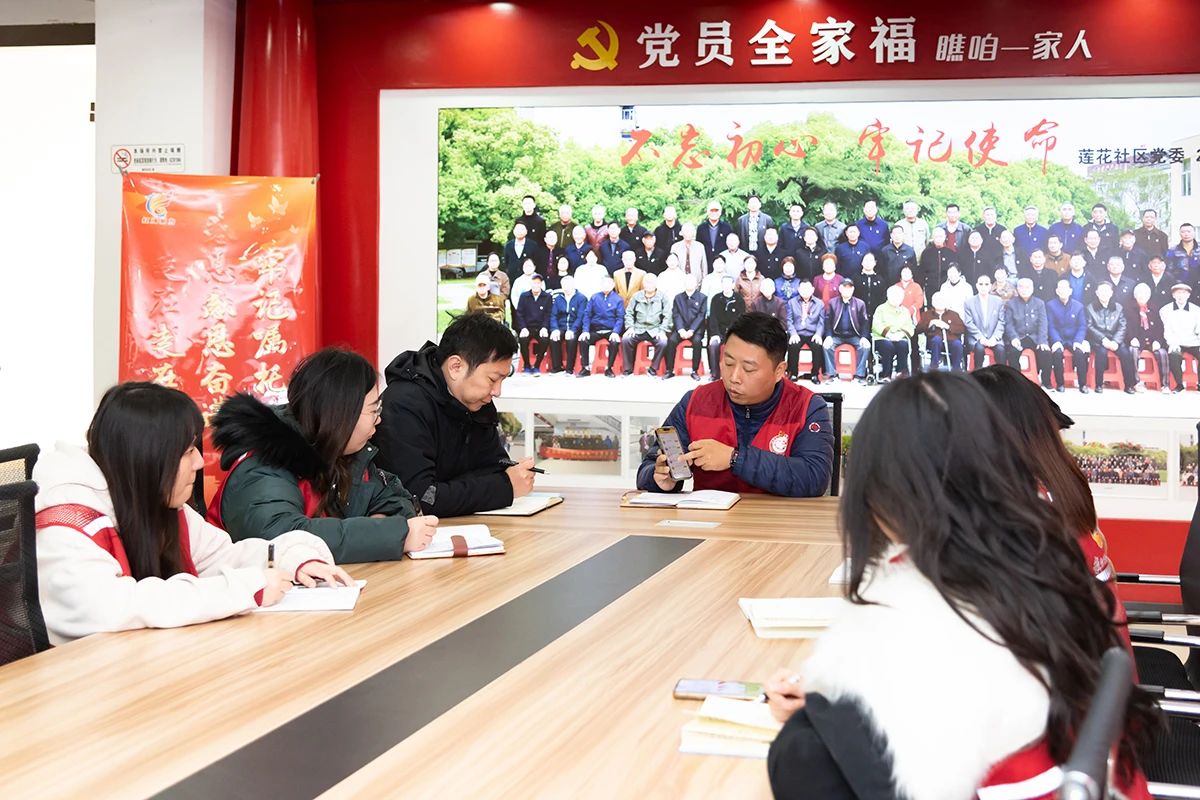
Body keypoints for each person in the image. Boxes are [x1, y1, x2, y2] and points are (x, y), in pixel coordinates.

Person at [764, 372, 1157, 800]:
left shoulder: (916, 623)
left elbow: (810, 767)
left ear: (879, 493)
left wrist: (825, 717)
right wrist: (833, 708)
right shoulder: (1040, 564)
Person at [33, 382, 351, 643]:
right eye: (187, 451)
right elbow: (110, 608)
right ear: (148, 458)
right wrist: (242, 589)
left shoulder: (150, 498)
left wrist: (293, 559)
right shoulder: (67, 519)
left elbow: (220, 556)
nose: (199, 462)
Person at [211, 349, 433, 562]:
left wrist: (380, 523)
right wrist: (385, 535)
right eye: (374, 410)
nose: (379, 419)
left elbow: (396, 499)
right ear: (342, 414)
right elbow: (280, 537)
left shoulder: (345, 453)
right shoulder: (263, 463)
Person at [637, 312, 833, 497]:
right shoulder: (695, 402)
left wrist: (735, 459)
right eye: (729, 363)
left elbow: (814, 477)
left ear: (779, 371)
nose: (734, 377)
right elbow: (648, 467)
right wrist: (660, 479)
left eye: (748, 369)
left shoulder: (806, 406)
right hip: (710, 519)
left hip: (779, 519)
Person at [376, 313, 536, 516]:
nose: (497, 392)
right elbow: (420, 497)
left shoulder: (476, 401)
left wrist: (504, 479)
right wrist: (504, 487)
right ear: (455, 367)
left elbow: (493, 468)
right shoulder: (403, 405)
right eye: (492, 379)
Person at [1086, 281, 1137, 394]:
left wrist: (1115, 341)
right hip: (1098, 340)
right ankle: (1099, 384)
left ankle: (1129, 385)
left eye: (1106, 291)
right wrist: (1103, 339)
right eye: (1101, 291)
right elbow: (1089, 326)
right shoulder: (1090, 308)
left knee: (1126, 353)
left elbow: (1122, 326)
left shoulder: (1118, 307)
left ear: (1111, 293)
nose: (1104, 293)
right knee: (1101, 353)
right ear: (1097, 293)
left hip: (1115, 339)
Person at [621, 272, 671, 376]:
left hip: (655, 329)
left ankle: (653, 368)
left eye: (652, 282)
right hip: (638, 328)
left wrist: (662, 331)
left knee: (663, 342)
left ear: (656, 284)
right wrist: (630, 327)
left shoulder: (663, 297)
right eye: (647, 282)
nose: (649, 285)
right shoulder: (636, 296)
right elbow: (629, 313)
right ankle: (628, 368)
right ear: (643, 283)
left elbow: (667, 316)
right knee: (626, 339)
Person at [1004, 277, 1052, 387]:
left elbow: (1043, 323)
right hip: (1019, 337)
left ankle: (1046, 381)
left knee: (1046, 352)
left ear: (1032, 289)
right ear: (1017, 289)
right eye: (1021, 287)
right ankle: (1016, 381)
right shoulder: (1011, 304)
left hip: (1035, 338)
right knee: (1013, 352)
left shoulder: (1039, 303)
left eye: (1027, 287)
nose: (1024, 290)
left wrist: (1042, 341)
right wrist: (1013, 337)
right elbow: (1009, 324)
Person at [1046, 278, 1091, 392]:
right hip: (1057, 338)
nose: (1063, 291)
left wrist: (1078, 341)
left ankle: (1082, 384)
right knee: (1057, 353)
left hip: (1073, 339)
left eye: (1065, 288)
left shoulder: (1078, 306)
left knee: (1080, 353)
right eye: (1060, 288)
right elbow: (1051, 326)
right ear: (1057, 291)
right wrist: (1056, 341)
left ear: (1070, 291)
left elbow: (1082, 326)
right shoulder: (1050, 305)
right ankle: (1060, 384)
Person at [823, 279, 870, 384]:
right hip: (837, 335)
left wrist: (864, 337)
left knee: (865, 346)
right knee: (827, 346)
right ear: (840, 289)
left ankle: (859, 376)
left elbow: (865, 323)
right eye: (845, 287)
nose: (847, 290)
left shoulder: (860, 303)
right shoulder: (832, 302)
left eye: (850, 288)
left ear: (853, 289)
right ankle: (832, 375)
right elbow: (828, 321)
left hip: (854, 336)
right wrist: (829, 336)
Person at [1126, 282, 1169, 395]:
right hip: (1136, 340)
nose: (1142, 296)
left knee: (1162, 353)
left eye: (1145, 293)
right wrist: (1131, 338)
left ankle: (1165, 384)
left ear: (1149, 295)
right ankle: (1136, 382)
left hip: (1152, 340)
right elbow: (1126, 326)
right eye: (1139, 293)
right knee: (1132, 351)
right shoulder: (1128, 308)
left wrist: (1158, 341)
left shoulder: (1154, 308)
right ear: (1135, 295)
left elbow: (1160, 328)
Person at [578, 274, 625, 377]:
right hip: (596, 330)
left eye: (608, 283)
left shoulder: (618, 299)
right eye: (604, 283)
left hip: (610, 330)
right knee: (583, 340)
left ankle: (609, 368)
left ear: (613, 285)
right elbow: (587, 315)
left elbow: (620, 318)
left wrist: (616, 332)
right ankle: (585, 368)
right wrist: (585, 330)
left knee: (614, 341)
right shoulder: (594, 297)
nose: (606, 285)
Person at [665, 273, 707, 380]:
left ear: (696, 284)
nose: (690, 284)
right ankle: (669, 370)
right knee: (671, 341)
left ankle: (694, 370)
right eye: (687, 282)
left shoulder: (702, 297)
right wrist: (681, 330)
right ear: (684, 284)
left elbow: (701, 316)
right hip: (681, 329)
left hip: (696, 330)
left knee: (697, 342)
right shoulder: (678, 298)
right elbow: (676, 314)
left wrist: (692, 330)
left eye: (692, 282)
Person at [1161, 282, 1200, 393]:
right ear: (1173, 295)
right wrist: (1172, 343)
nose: (1181, 295)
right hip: (1176, 342)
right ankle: (1179, 384)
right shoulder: (1165, 310)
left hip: (1193, 342)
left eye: (1184, 293)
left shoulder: (1197, 310)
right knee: (1173, 355)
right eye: (1178, 293)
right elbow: (1167, 331)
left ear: (1188, 295)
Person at [962, 272, 1006, 369]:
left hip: (994, 337)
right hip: (976, 338)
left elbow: (1001, 321)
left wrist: (995, 338)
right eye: (981, 284)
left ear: (990, 286)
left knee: (1001, 350)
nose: (983, 287)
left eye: (986, 284)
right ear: (976, 286)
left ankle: (1001, 375)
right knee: (979, 349)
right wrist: (980, 338)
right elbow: (968, 323)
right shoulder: (969, 302)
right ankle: (978, 375)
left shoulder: (998, 301)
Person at [872, 285, 915, 382]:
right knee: (888, 346)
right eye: (894, 296)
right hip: (882, 338)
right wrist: (889, 335)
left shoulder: (905, 311)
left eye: (899, 297)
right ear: (888, 296)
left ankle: (901, 373)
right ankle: (886, 375)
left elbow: (910, 327)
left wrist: (900, 335)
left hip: (899, 337)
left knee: (903, 345)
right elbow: (876, 325)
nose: (896, 299)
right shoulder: (881, 309)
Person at [708, 275, 747, 380]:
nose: (726, 286)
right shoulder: (716, 299)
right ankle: (715, 374)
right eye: (724, 283)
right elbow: (713, 318)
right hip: (719, 332)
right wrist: (715, 334)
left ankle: (735, 373)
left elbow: (741, 319)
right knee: (713, 345)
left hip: (734, 332)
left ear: (733, 285)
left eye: (729, 283)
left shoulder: (739, 299)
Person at [786, 278, 826, 383]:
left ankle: (814, 374)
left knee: (817, 346)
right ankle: (793, 373)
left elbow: (821, 322)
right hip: (797, 333)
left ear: (812, 289)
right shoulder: (791, 302)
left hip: (812, 333)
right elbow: (789, 320)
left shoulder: (819, 304)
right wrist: (793, 334)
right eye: (803, 289)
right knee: (793, 345)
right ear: (798, 289)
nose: (805, 291)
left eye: (807, 289)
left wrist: (818, 334)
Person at [916, 292, 966, 372]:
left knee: (957, 344)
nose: (939, 302)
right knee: (936, 339)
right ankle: (934, 367)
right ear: (932, 302)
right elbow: (918, 329)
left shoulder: (953, 314)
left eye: (942, 300)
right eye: (937, 300)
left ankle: (956, 369)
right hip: (933, 342)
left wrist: (948, 327)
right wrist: (930, 324)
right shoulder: (926, 314)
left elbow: (962, 329)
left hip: (951, 341)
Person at [549, 274, 587, 374]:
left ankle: (569, 368)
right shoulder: (558, 299)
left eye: (568, 285)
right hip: (561, 327)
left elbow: (580, 317)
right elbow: (553, 315)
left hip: (575, 327)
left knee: (571, 339)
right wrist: (555, 329)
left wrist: (572, 330)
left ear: (573, 285)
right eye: (564, 285)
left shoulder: (581, 298)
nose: (566, 287)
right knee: (554, 338)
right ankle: (557, 367)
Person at [515, 273, 552, 374]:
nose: (536, 285)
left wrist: (544, 327)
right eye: (534, 283)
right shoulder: (524, 296)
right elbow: (519, 313)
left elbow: (548, 314)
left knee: (545, 340)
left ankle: (537, 366)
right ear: (531, 284)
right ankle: (527, 365)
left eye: (538, 283)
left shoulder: (547, 297)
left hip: (540, 327)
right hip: (527, 327)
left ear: (541, 284)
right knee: (523, 339)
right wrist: (523, 328)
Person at [918, 226, 954, 301]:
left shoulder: (950, 253)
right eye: (936, 236)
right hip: (930, 288)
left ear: (945, 237)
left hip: (946, 288)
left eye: (940, 236)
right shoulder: (926, 253)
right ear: (932, 237)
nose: (938, 239)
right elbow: (922, 272)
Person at [854, 253, 886, 327]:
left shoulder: (880, 280)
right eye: (866, 260)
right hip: (858, 315)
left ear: (875, 263)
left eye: (871, 260)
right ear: (862, 262)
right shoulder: (855, 279)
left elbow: (883, 299)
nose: (868, 263)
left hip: (876, 316)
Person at [699, 200, 734, 269]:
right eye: (711, 211)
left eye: (716, 210)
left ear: (720, 212)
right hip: (706, 261)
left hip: (722, 262)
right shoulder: (701, 228)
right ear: (707, 212)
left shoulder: (727, 227)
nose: (714, 213)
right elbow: (699, 246)